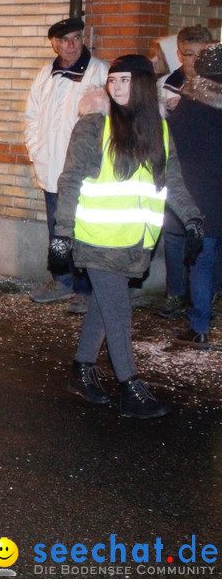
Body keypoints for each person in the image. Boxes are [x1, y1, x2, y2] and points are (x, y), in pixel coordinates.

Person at [52, 55, 202, 419]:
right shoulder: (94, 127)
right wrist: (61, 236)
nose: (116, 88)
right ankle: (129, 386)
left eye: (125, 81)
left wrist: (193, 219)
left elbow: (173, 182)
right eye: (112, 80)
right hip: (96, 238)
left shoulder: (159, 131)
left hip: (134, 241)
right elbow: (70, 181)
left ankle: (81, 368)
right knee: (118, 309)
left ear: (144, 86)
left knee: (105, 307)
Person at [25, 17, 109, 314]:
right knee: (56, 226)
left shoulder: (99, 72)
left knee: (82, 228)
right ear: (54, 44)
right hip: (51, 168)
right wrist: (37, 151)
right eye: (64, 40)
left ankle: (85, 288)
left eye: (76, 38)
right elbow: (32, 117)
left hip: (83, 171)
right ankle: (61, 280)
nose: (71, 45)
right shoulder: (46, 74)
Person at [164, 42, 222, 349]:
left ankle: (200, 325)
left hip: (201, 196)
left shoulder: (189, 104)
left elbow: (175, 150)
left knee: (201, 259)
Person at [155, 25, 214, 320]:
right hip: (178, 172)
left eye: (202, 54)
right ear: (179, 54)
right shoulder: (168, 84)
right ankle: (176, 295)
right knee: (175, 236)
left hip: (207, 174)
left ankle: (203, 298)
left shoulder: (215, 85)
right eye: (189, 54)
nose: (195, 61)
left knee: (208, 237)